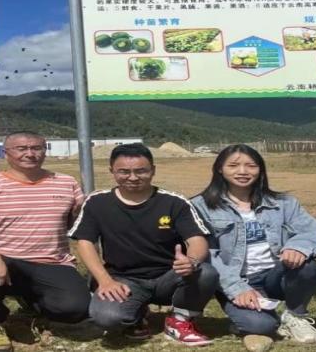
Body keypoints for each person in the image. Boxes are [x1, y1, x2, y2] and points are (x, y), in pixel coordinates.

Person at [72, 143, 217, 346]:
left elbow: (197, 240)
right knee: (108, 318)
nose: (133, 177)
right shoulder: (97, 202)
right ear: (112, 171)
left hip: (169, 275)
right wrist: (104, 280)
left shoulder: (174, 202)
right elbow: (85, 242)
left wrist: (191, 260)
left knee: (205, 272)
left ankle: (180, 320)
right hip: (124, 279)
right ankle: (137, 316)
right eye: (124, 171)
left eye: (141, 171)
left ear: (153, 170)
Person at [189, 144, 316, 351]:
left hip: (275, 275)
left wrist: (297, 247)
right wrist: (237, 288)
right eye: (233, 165)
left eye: (251, 166)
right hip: (236, 278)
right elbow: (207, 254)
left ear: (260, 169)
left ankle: (296, 316)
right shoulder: (200, 206)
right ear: (220, 169)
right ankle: (251, 320)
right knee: (261, 326)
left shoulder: (284, 203)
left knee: (308, 266)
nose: (243, 171)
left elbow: (309, 231)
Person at [0, 131, 90, 352]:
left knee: (75, 310)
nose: (30, 154)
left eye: (37, 148)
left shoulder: (66, 182)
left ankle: (31, 301)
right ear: (6, 153)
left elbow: (76, 222)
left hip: (53, 262)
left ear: (45, 151)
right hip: (6, 260)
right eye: (21, 149)